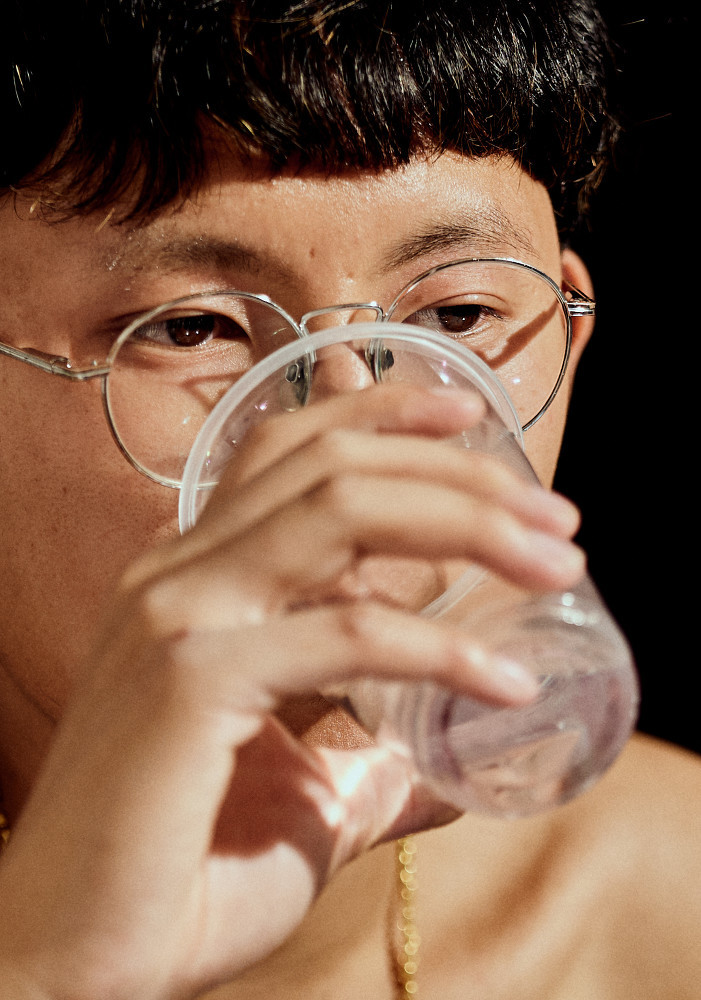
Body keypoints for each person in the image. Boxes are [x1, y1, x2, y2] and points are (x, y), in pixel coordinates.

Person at [0, 2, 699, 998]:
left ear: (568, 345)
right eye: (191, 329)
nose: (350, 461)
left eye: (454, 316)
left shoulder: (672, 909)